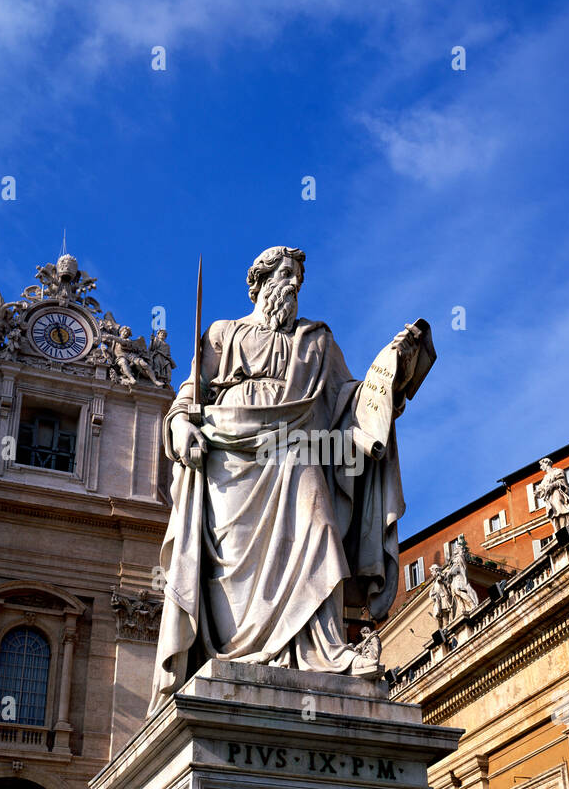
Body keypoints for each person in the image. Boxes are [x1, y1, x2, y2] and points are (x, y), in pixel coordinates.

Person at [151, 246, 424, 706]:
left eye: (298, 276)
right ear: (257, 281)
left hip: (300, 449)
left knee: (319, 527)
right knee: (231, 557)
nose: (293, 283)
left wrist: (391, 372)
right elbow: (189, 394)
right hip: (230, 457)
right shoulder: (223, 333)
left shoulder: (317, 341)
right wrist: (179, 424)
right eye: (283, 273)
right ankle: (236, 653)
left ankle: (323, 649)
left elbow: (352, 402)